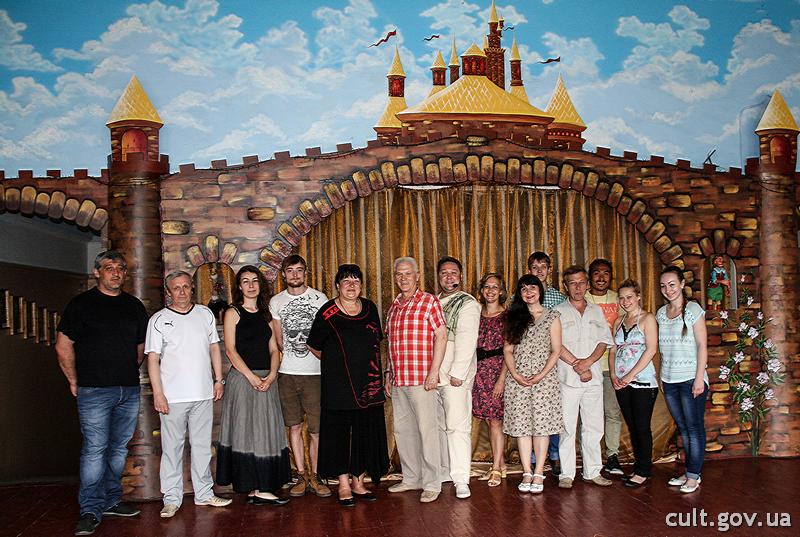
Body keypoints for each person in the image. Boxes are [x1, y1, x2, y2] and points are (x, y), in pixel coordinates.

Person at [56, 250, 148, 536]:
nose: (116, 272)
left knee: (118, 450)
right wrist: (74, 380)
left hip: (128, 389)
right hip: (94, 390)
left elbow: (140, 348)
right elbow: (63, 345)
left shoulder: (133, 305)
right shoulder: (81, 304)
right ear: (97, 272)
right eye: (109, 268)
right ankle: (90, 509)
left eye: (120, 268)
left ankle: (111, 500)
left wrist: (127, 371)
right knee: (95, 449)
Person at [146, 271, 233, 518]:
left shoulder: (204, 314)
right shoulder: (158, 320)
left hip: (203, 394)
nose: (182, 292)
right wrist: (158, 393)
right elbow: (153, 359)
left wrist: (218, 380)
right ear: (169, 292)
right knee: (172, 449)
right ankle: (171, 499)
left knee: (203, 447)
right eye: (177, 288)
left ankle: (204, 493)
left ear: (192, 288)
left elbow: (214, 348)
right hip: (172, 398)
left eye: (186, 286)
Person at [307, 264, 389, 507]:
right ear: (337, 286)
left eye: (356, 281)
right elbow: (313, 344)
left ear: (361, 285)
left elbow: (377, 341)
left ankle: (358, 482)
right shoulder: (328, 312)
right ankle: (343, 485)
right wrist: (335, 362)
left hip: (368, 385)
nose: (351, 285)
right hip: (338, 387)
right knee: (339, 435)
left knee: (364, 433)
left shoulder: (370, 308)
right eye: (346, 281)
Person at [216, 266, 291, 505]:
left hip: (266, 380)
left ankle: (261, 487)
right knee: (245, 433)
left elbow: (274, 349)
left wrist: (272, 376)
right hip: (243, 380)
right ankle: (257, 487)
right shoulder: (233, 312)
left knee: (265, 432)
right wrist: (251, 377)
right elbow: (230, 350)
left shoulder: (266, 314)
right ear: (239, 286)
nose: (251, 285)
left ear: (260, 285)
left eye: (254, 281)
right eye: (246, 281)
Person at [385, 256, 447, 503]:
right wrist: (388, 374)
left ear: (417, 276)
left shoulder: (429, 301)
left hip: (422, 379)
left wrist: (434, 372)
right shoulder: (394, 307)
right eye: (399, 274)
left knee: (427, 432)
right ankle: (411, 478)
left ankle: (432, 483)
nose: (403, 278)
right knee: (404, 431)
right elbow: (391, 344)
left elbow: (441, 336)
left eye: (408, 273)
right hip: (399, 380)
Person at [269, 255, 332, 498]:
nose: (295, 275)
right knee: (294, 427)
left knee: (316, 430)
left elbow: (326, 336)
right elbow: (279, 340)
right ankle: (301, 474)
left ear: (306, 273)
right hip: (287, 373)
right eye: (290, 270)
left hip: (315, 374)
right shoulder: (276, 301)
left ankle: (316, 475)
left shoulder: (320, 299)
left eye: (299, 270)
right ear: (284, 274)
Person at [502, 275, 563, 494]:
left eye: (532, 287)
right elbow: (508, 350)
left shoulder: (552, 316)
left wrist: (541, 375)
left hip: (544, 381)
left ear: (540, 290)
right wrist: (515, 374)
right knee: (522, 428)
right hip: (518, 380)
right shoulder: (513, 317)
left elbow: (556, 350)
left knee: (541, 427)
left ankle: (539, 472)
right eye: (524, 289)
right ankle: (527, 471)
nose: (528, 292)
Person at [555, 265, 614, 489]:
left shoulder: (596, 311)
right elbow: (555, 344)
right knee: (567, 428)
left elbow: (603, 341)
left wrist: (587, 363)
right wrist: (577, 365)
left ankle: (593, 471)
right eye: (573, 283)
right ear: (566, 286)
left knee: (594, 427)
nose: (577, 287)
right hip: (567, 380)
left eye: (581, 283)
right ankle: (567, 474)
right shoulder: (557, 311)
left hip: (593, 379)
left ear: (587, 285)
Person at [657, 265, 709, 494]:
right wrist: (662, 376)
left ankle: (694, 476)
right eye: (663, 286)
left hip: (690, 379)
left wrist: (699, 379)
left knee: (694, 428)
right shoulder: (661, 313)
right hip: (670, 380)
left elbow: (702, 345)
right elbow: (662, 349)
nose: (668, 290)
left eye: (672, 284)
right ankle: (689, 472)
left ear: (682, 284)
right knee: (683, 428)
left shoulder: (693, 310)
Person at [435, 256, 480, 499]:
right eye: (444, 272)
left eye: (453, 272)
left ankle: (462, 478)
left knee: (457, 427)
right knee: (440, 427)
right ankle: (444, 472)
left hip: (454, 376)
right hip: (434, 375)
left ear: (460, 276)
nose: (449, 276)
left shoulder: (467, 303)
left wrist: (458, 373)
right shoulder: (433, 301)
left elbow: (467, 339)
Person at [608, 279, 659, 487]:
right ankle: (640, 466)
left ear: (638, 297)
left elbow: (651, 349)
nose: (625, 301)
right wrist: (613, 374)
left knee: (641, 426)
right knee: (632, 425)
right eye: (621, 298)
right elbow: (613, 350)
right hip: (621, 382)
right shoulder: (618, 322)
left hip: (642, 381)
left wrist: (631, 375)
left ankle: (643, 471)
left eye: (629, 297)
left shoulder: (648, 318)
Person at [527, 251, 565, 476]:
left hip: (551, 362)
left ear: (549, 270)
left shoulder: (558, 298)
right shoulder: (520, 296)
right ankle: (531, 457)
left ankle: (554, 454)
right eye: (535, 267)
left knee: (550, 410)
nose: (539, 270)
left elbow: (560, 335)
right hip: (527, 363)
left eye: (543, 266)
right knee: (530, 411)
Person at [585, 258, 625, 476]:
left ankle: (612, 455)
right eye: (596, 273)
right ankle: (588, 457)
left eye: (606, 273)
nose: (601, 277)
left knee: (612, 412)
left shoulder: (619, 299)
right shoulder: (582, 298)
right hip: (588, 364)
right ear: (590, 277)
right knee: (587, 414)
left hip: (612, 365)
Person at [472, 273, 508, 487]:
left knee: (496, 421)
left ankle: (495, 468)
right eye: (487, 286)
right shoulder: (476, 313)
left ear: (501, 291)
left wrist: (501, 380)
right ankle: (501, 465)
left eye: (495, 287)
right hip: (479, 371)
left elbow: (510, 351)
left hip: (498, 371)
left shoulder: (507, 316)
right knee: (488, 419)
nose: (491, 290)